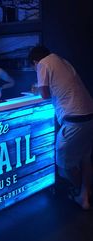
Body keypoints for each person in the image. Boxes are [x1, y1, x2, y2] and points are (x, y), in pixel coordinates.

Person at [28, 45, 93, 210]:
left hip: (74, 119)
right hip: (90, 114)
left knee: (63, 164)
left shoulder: (42, 63)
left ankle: (80, 190)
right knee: (85, 158)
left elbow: (45, 95)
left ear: (35, 61)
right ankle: (84, 197)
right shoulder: (63, 61)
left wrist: (36, 88)